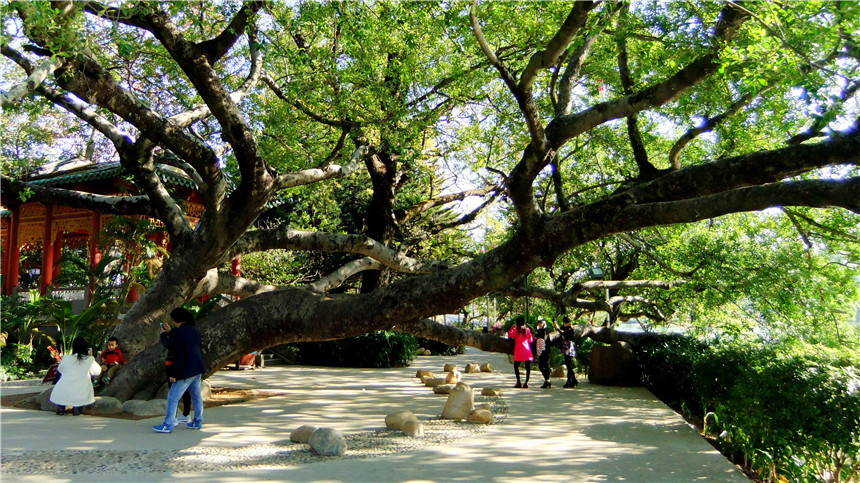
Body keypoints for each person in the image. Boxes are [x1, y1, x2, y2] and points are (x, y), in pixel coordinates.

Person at [153, 307, 205, 433]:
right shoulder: (194, 330)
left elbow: (178, 354)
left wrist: (174, 374)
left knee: (172, 397)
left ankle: (168, 424)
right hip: (197, 368)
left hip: (185, 370)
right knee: (196, 396)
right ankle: (197, 421)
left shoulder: (179, 333)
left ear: (174, 319)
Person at [50, 337, 101, 415]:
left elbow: (60, 369)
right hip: (81, 391)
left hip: (63, 390)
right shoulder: (89, 360)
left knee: (64, 389)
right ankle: (77, 409)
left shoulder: (67, 358)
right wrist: (91, 357)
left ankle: (61, 408)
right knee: (81, 391)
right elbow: (97, 371)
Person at [159, 318, 192, 427]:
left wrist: (163, 335)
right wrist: (169, 332)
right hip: (185, 365)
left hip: (173, 364)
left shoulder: (179, 333)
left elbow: (169, 344)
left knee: (173, 393)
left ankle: (171, 419)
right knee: (186, 390)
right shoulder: (188, 332)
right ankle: (186, 414)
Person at [508, 316, 534, 388]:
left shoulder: (516, 330)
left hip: (519, 350)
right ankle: (526, 382)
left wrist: (512, 327)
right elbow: (530, 340)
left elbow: (510, 335)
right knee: (528, 367)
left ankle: (518, 381)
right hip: (527, 350)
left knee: (516, 366)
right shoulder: (527, 330)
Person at [553, 316, 579, 388]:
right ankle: (573, 380)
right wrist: (556, 325)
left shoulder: (571, 329)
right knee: (568, 364)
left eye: (566, 322)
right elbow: (561, 329)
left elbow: (564, 334)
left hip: (569, 346)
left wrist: (557, 328)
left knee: (568, 364)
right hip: (566, 346)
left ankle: (571, 380)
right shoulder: (566, 327)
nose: (565, 324)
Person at [534, 318, 552, 388]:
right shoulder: (540, 331)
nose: (539, 324)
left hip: (545, 351)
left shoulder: (545, 331)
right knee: (541, 366)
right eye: (538, 323)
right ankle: (547, 380)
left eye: (541, 323)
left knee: (546, 366)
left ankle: (547, 380)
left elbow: (543, 338)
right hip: (541, 351)